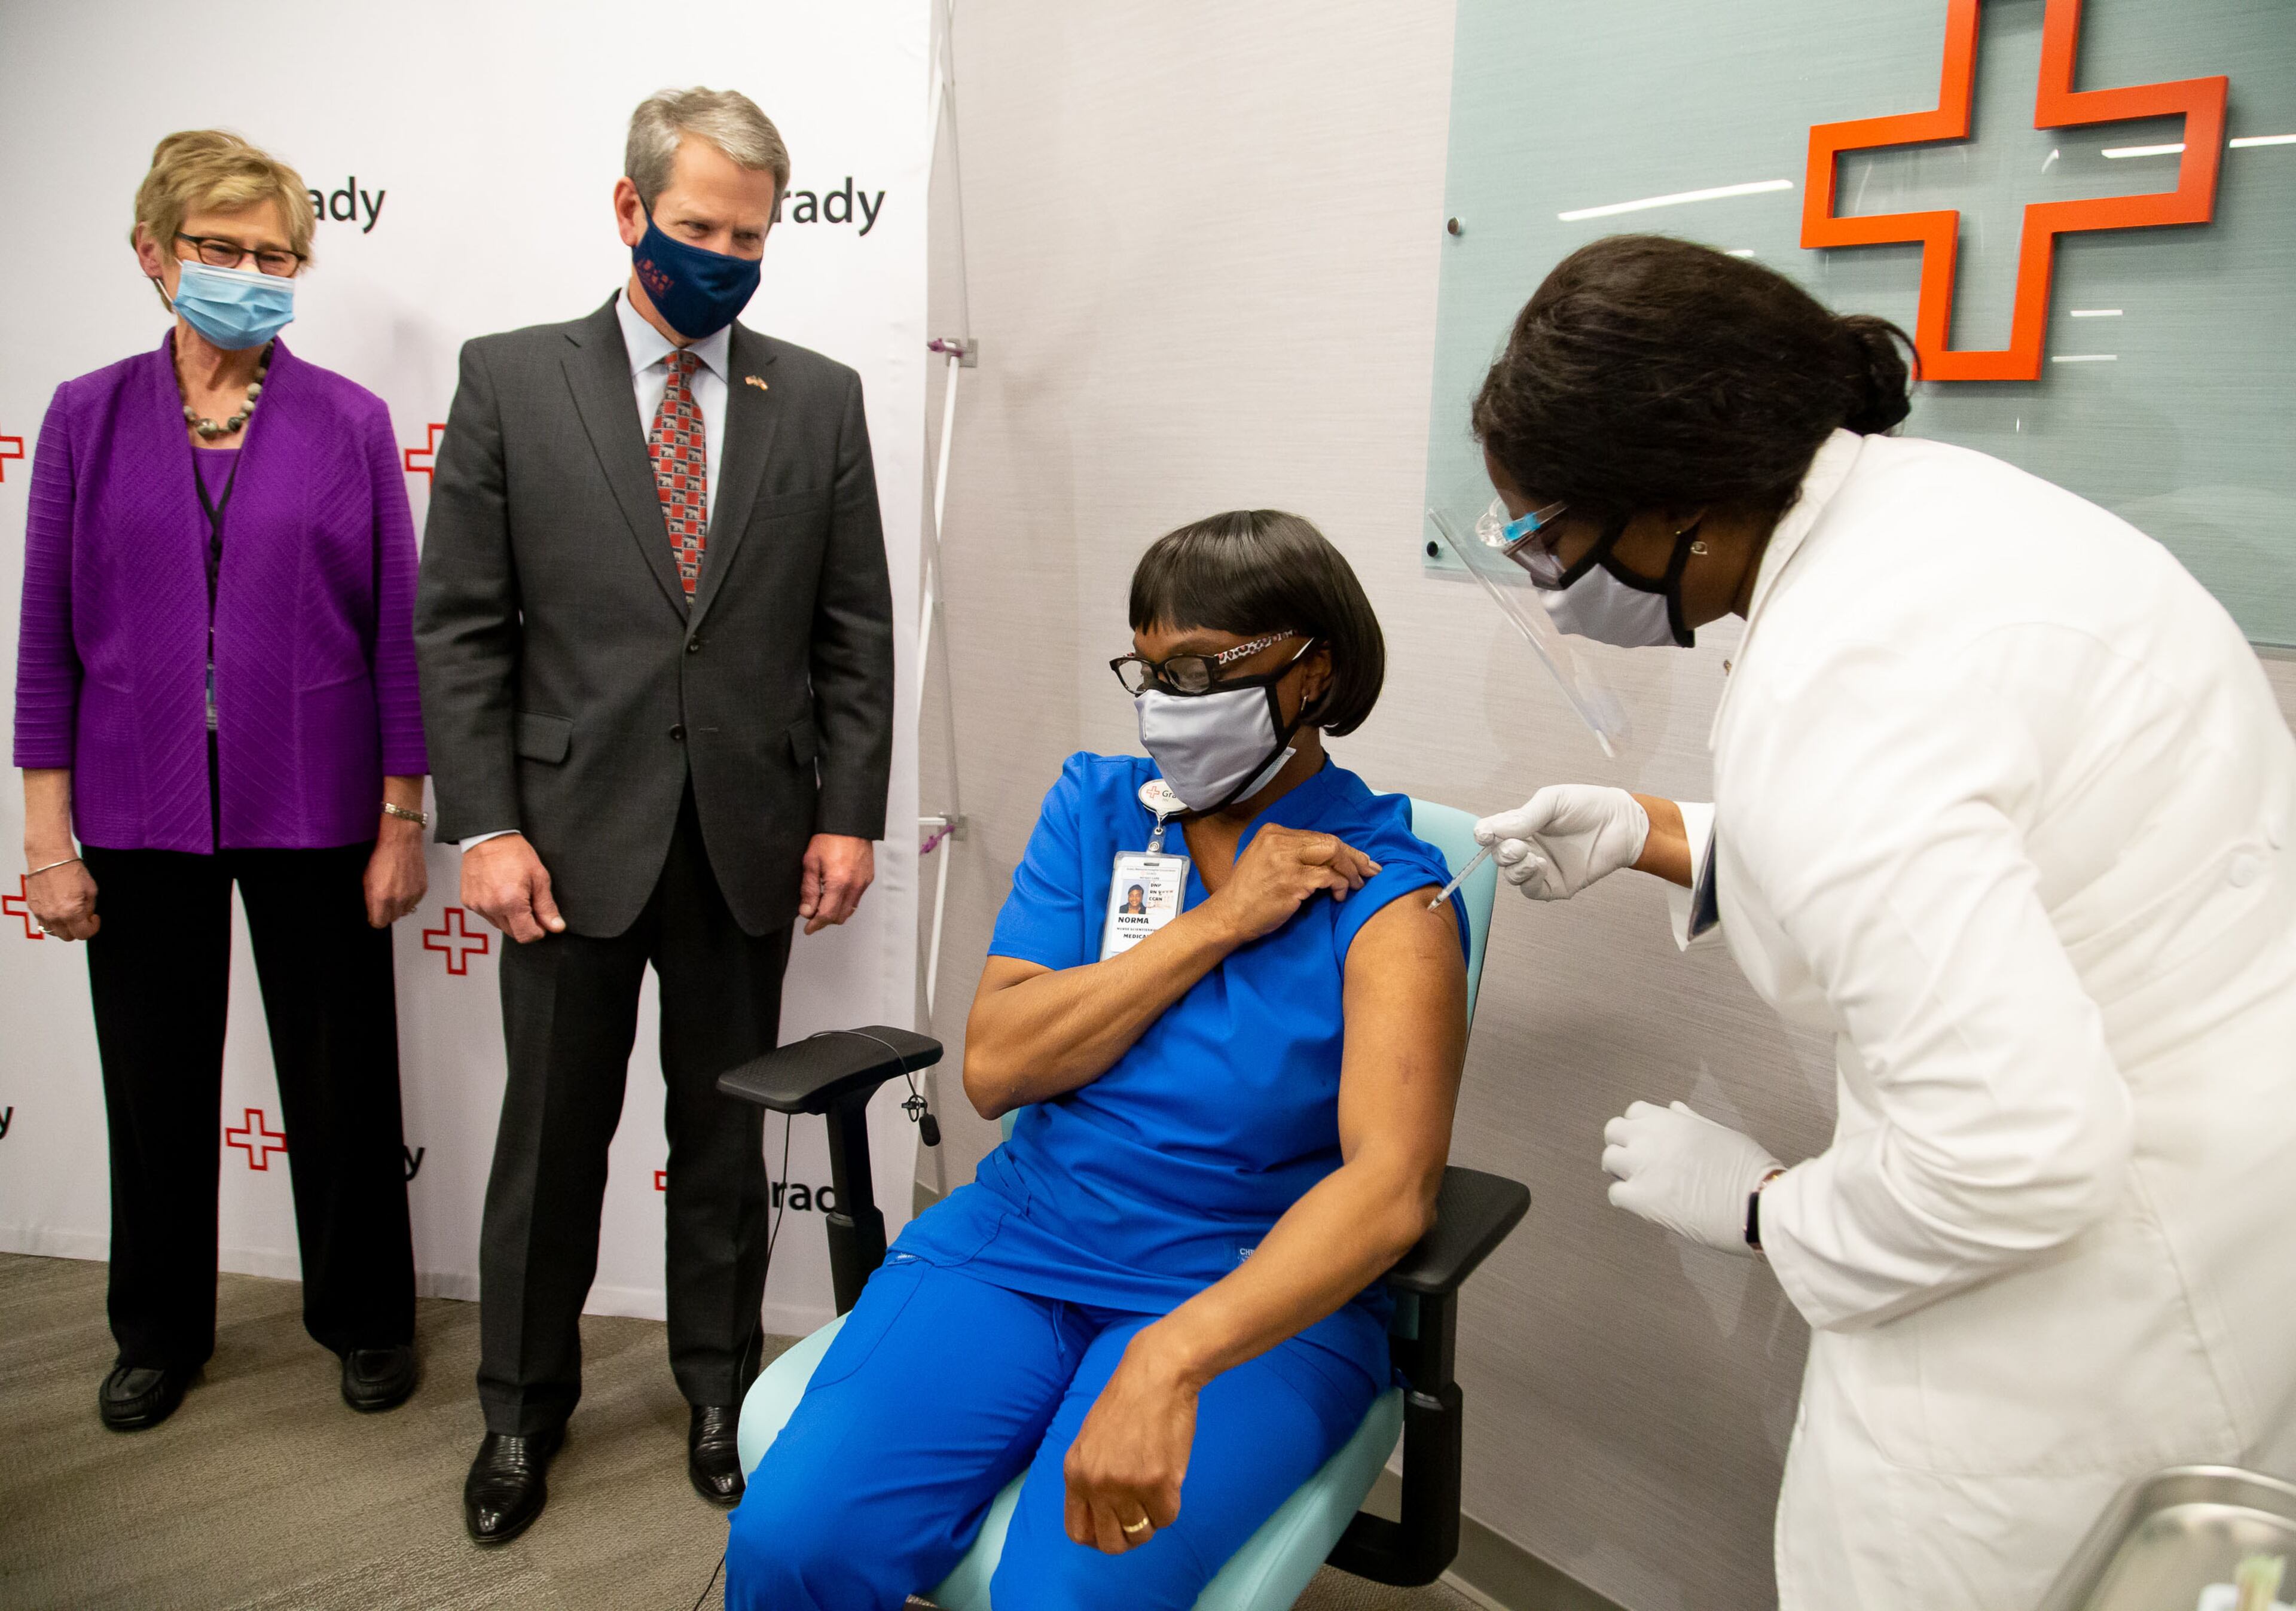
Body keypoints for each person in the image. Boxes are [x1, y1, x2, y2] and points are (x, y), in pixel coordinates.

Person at [1465, 234, 2296, 1609]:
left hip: (2067, 1355)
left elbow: (2016, 1159)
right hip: (2233, 1239)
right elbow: (2006, 863)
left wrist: (1763, 1206)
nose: (1548, 580)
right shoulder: (1964, 521)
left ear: (1678, 500)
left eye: (1544, 536)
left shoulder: (1845, 684)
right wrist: (1664, 834)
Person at [727, 511, 1471, 1611]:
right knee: (793, 1543)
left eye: (1197, 670)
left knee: (1066, 1597)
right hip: (1018, 1244)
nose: (1164, 704)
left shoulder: (1390, 894)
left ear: (1316, 674)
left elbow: (1391, 1188)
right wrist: (1220, 922)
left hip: (1243, 1293)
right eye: (1148, 668)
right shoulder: (1099, 806)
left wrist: (1172, 1359)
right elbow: (997, 1064)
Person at [414, 87, 895, 1544]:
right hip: (563, 845)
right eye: (697, 228)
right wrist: (485, 825)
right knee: (549, 1142)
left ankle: (714, 1389)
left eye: (749, 235)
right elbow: (462, 633)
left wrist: (852, 810)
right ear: (631, 214)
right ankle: (519, 1410)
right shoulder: (510, 378)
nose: (725, 257)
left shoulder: (816, 395)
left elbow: (853, 628)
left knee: (727, 1143)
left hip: (751, 837)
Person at [13, 130, 427, 1430]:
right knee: (152, 1081)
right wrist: (46, 838)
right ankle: (159, 1328)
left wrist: (402, 815)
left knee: (344, 1080)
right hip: (136, 814)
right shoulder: (83, 415)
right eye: (221, 249)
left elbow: (399, 643)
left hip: (316, 803)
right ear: (155, 254)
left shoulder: (349, 423)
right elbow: (45, 642)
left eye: (274, 254)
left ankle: (365, 1317)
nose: (251, 273)